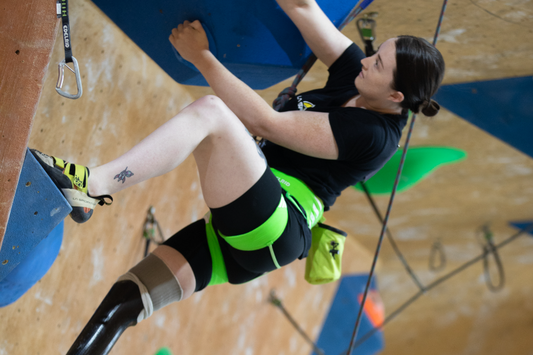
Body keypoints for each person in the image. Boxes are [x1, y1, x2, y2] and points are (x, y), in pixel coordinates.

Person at [33, 0, 444, 354]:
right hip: (251, 227)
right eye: (377, 53)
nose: (367, 60)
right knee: (126, 298)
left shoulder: (374, 135)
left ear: (395, 97)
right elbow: (302, 7)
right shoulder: (359, 78)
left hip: (276, 223)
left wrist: (202, 58)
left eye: (378, 64)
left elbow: (264, 122)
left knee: (211, 113)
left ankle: (90, 186)